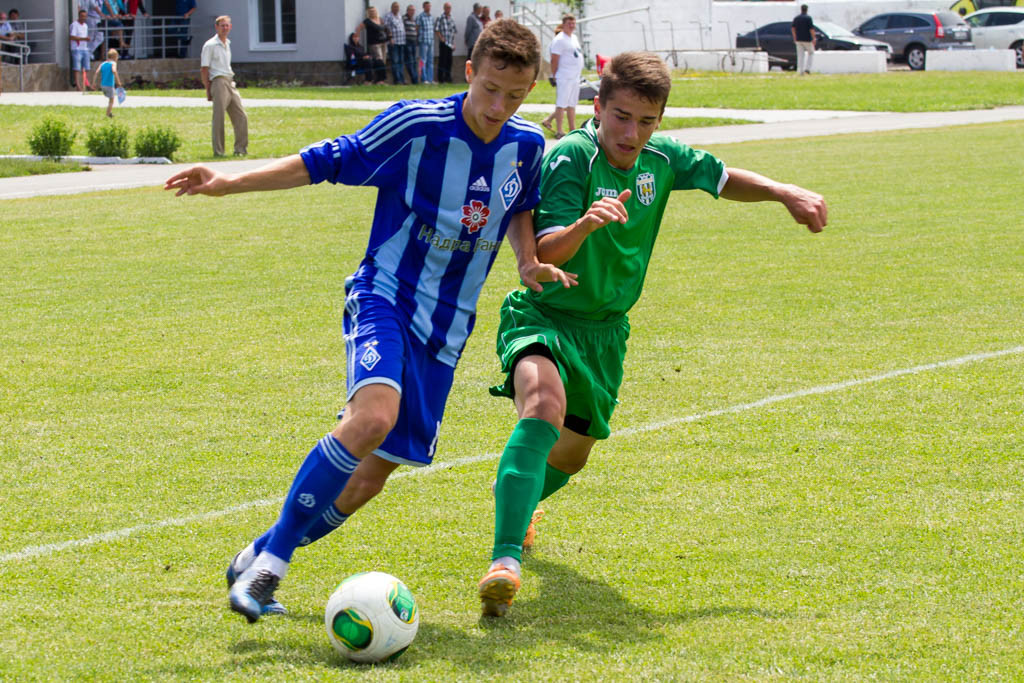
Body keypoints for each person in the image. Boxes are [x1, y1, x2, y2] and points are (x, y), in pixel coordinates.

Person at [164, 18, 572, 625]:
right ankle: (270, 568)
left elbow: (521, 208)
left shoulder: (528, 145)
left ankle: (253, 552)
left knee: (366, 483)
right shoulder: (417, 125)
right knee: (372, 417)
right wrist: (229, 181)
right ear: (468, 72)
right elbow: (323, 161)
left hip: (447, 329)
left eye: (515, 95)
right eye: (490, 88)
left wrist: (528, 261)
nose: (498, 105)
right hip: (386, 293)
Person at [477, 50, 828, 618]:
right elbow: (541, 253)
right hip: (545, 315)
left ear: (660, 120)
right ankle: (504, 560)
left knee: (572, 456)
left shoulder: (661, 158)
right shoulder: (571, 156)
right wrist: (587, 222)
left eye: (645, 121)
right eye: (620, 117)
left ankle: (519, 501)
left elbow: (722, 177)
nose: (630, 132)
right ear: (598, 106)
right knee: (541, 408)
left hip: (606, 334)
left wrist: (784, 191)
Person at [200, 15, 247, 157]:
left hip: (229, 80)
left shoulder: (227, 43)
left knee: (241, 116)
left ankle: (240, 149)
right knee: (219, 117)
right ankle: (219, 151)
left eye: (227, 25)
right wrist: (208, 89)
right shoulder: (210, 45)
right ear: (216, 27)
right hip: (218, 81)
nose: (225, 28)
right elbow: (204, 69)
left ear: (230, 27)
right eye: (222, 25)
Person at [542, 15, 583, 139]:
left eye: (573, 23)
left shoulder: (574, 38)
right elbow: (554, 59)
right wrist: (554, 75)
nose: (571, 26)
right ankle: (559, 131)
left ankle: (572, 129)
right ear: (563, 24)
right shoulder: (559, 40)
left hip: (575, 76)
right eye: (569, 23)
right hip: (564, 76)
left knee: (571, 104)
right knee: (561, 104)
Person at [360, 6, 388, 84]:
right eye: (371, 11)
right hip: (374, 45)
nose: (373, 12)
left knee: (383, 61)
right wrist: (356, 37)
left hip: (383, 43)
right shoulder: (367, 21)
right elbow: (359, 28)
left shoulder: (380, 19)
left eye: (374, 11)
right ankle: (379, 80)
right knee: (379, 60)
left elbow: (385, 28)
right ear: (368, 13)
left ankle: (380, 79)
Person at [92, 48, 123, 117]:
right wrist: (118, 82)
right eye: (117, 57)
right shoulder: (113, 63)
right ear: (114, 57)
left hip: (103, 86)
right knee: (111, 100)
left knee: (110, 99)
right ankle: (108, 114)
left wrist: (93, 83)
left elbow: (96, 72)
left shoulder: (103, 63)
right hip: (109, 85)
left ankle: (109, 113)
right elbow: (114, 71)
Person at [383, 1, 406, 85]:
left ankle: (402, 79)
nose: (396, 8)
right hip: (394, 42)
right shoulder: (388, 16)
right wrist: (390, 38)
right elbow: (386, 27)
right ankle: (397, 80)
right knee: (395, 61)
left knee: (401, 61)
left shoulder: (400, 16)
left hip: (401, 41)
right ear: (392, 8)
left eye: (397, 7)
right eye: (395, 7)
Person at [70, 9, 92, 94]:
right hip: (77, 49)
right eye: (82, 16)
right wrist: (84, 39)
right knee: (77, 68)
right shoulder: (74, 25)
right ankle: (78, 85)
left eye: (85, 16)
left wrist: (86, 39)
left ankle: (86, 84)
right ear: (79, 16)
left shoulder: (85, 26)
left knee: (86, 68)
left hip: (84, 48)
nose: (83, 18)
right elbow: (72, 37)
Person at [434, 1, 456, 83]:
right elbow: (436, 29)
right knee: (442, 61)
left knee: (449, 62)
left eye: (449, 8)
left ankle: (448, 78)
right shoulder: (440, 18)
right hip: (444, 43)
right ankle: (441, 78)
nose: (448, 9)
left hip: (450, 44)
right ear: (444, 8)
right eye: (447, 8)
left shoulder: (451, 19)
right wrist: (441, 38)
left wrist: (453, 43)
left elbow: (453, 31)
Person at [791, 4, 815, 75]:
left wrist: (795, 37)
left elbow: (793, 28)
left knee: (800, 55)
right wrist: (814, 38)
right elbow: (811, 29)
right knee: (811, 53)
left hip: (798, 39)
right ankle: (808, 69)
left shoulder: (796, 18)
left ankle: (800, 70)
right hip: (807, 39)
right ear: (807, 10)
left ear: (801, 9)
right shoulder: (808, 18)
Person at [415, 0, 434, 83]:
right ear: (423, 7)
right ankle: (424, 78)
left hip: (431, 41)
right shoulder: (420, 17)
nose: (428, 8)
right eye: (427, 6)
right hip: (423, 41)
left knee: (430, 60)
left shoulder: (431, 17)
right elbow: (417, 28)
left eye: (429, 6)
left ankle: (430, 79)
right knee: (423, 60)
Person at [402, 4, 419, 85]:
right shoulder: (404, 18)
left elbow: (416, 29)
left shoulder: (414, 19)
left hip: (413, 42)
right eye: (411, 10)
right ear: (407, 11)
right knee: (410, 61)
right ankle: (414, 79)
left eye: (413, 10)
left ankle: (415, 79)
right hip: (407, 42)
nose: (412, 12)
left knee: (413, 61)